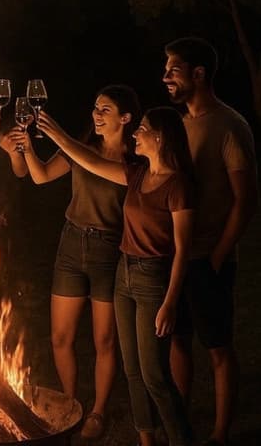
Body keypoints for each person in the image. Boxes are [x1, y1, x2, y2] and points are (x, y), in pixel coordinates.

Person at [39, 107, 195, 446]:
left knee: (155, 374)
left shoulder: (178, 185)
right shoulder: (137, 175)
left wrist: (170, 303)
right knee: (133, 370)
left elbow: (183, 251)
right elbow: (91, 162)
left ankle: (181, 438)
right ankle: (146, 439)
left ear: (160, 137)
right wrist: (56, 136)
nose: (136, 134)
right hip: (124, 274)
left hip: (154, 278)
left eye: (142, 129)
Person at [0, 84, 141, 441]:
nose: (96, 114)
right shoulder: (83, 147)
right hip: (71, 244)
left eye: (105, 109)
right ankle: (71, 402)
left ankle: (98, 411)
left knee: (104, 340)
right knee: (60, 337)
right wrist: (28, 148)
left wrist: (57, 134)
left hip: (110, 249)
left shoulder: (137, 159)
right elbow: (42, 175)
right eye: (95, 107)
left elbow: (93, 164)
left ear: (125, 118)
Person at [163, 37, 258, 446]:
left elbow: (246, 200)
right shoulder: (179, 125)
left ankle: (221, 432)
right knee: (178, 339)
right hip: (177, 257)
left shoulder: (230, 125)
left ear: (199, 74)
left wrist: (219, 255)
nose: (165, 76)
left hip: (210, 259)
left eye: (173, 69)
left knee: (217, 347)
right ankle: (181, 417)